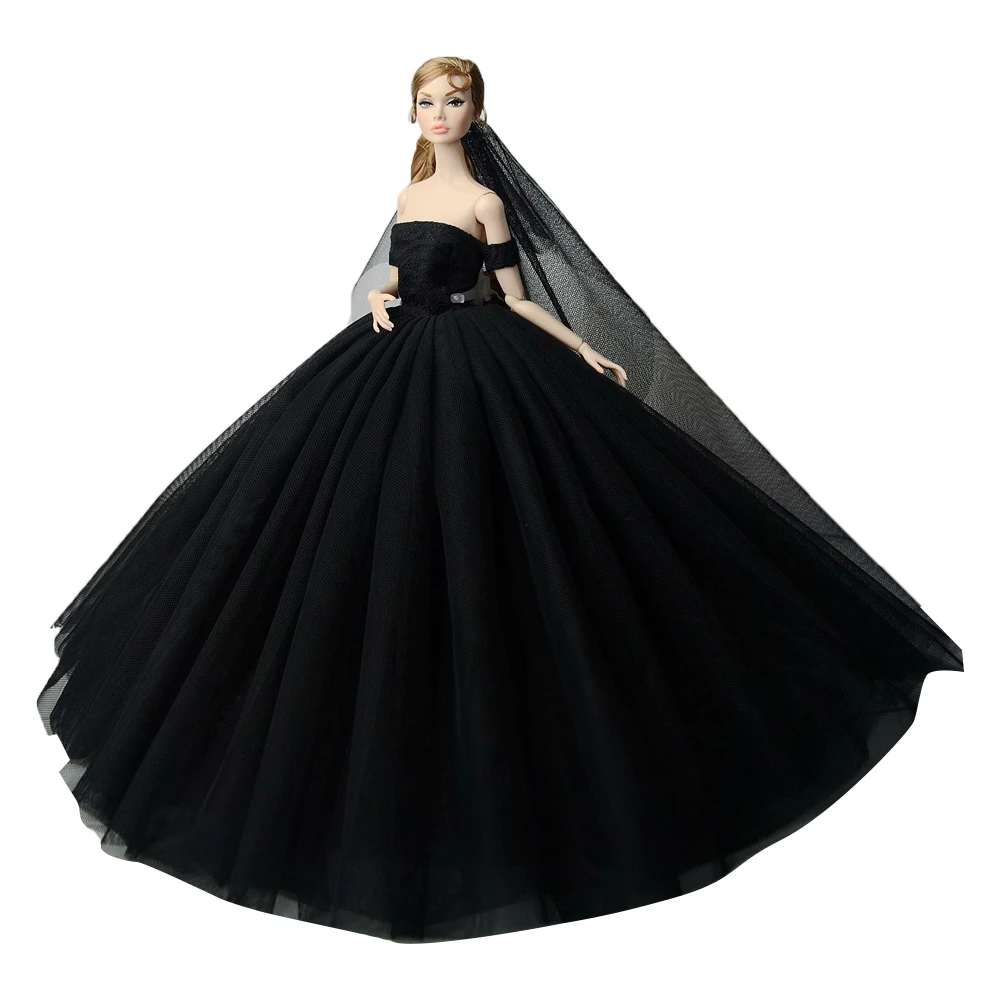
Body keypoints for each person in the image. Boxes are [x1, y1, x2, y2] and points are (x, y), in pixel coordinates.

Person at [37, 55, 964, 944]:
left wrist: (582, 348)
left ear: (478, 112)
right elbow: (396, 270)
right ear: (411, 112)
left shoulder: (484, 201)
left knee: (517, 522)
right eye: (427, 101)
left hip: (482, 363)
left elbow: (514, 296)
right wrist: (379, 299)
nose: (439, 114)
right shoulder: (408, 195)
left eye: (454, 101)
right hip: (392, 361)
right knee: (338, 529)